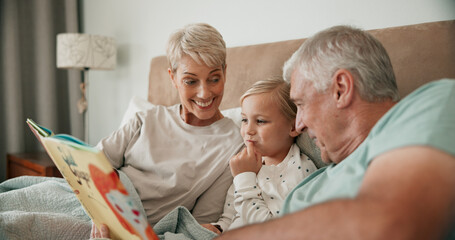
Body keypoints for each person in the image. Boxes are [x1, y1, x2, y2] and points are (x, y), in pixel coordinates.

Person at [217, 25, 455, 239]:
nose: (298, 125)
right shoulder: (311, 184)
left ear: (341, 89)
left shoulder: (436, 102)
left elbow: (392, 225)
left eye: (300, 104)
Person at [90, 23, 243, 238]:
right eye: (191, 81)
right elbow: (91, 162)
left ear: (225, 72)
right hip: (97, 207)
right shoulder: (146, 119)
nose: (204, 93)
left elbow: (196, 227)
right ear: (173, 78)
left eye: (214, 79)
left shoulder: (234, 145)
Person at [202, 78, 317, 234]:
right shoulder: (248, 163)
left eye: (260, 121)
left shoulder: (299, 171)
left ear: (293, 126)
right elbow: (232, 214)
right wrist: (219, 228)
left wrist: (244, 178)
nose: (248, 130)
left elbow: (270, 230)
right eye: (244, 120)